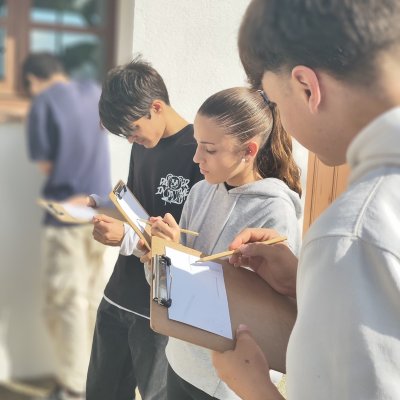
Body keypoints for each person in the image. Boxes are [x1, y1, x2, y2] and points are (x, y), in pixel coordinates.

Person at [212, 1, 400, 399]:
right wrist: (303, 282)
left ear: (306, 87)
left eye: (276, 104)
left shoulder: (351, 235)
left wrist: (254, 387)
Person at [148, 86, 302, 399]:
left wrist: (178, 256)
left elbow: (258, 317)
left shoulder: (274, 210)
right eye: (197, 144)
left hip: (225, 382)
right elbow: (167, 292)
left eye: (210, 149)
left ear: (249, 150)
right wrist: (158, 254)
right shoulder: (200, 191)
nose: (196, 158)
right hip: (179, 360)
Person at [85, 58, 203, 400]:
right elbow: (138, 211)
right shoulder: (142, 147)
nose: (130, 139)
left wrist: (125, 238)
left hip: (159, 305)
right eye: (124, 135)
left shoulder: (200, 151)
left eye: (132, 129)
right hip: (118, 294)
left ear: (156, 107)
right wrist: (101, 206)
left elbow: (192, 242)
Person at [22, 52, 111, 400]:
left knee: (67, 303)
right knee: (93, 298)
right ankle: (94, 378)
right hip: (101, 212)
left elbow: (46, 164)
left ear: (33, 80)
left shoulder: (43, 102)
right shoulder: (93, 92)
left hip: (65, 214)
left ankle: (74, 387)